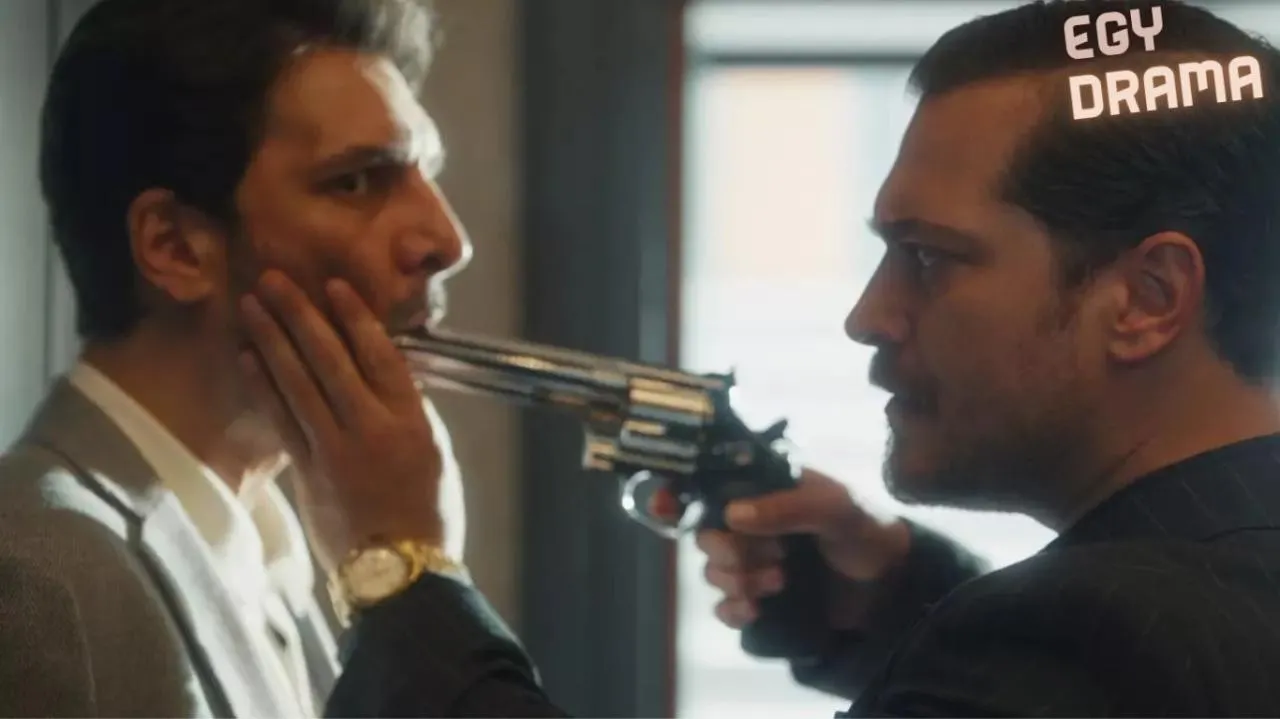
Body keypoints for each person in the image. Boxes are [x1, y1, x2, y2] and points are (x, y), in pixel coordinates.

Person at [255, 0, 1280, 716]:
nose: (868, 315)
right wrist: (897, 597)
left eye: (929, 256)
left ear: (1146, 299)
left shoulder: (1095, 635)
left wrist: (402, 563)